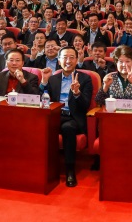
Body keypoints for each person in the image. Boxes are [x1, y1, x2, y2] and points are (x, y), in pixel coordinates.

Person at [42, 47, 92, 187]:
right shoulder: (53, 78)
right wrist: (44, 83)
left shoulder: (85, 79)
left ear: (77, 60)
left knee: (68, 128)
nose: (68, 61)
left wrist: (77, 93)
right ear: (59, 61)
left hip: (72, 118)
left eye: (71, 57)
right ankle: (41, 167)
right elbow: (42, 99)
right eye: (64, 57)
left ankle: (70, 170)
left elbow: (85, 105)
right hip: (54, 115)